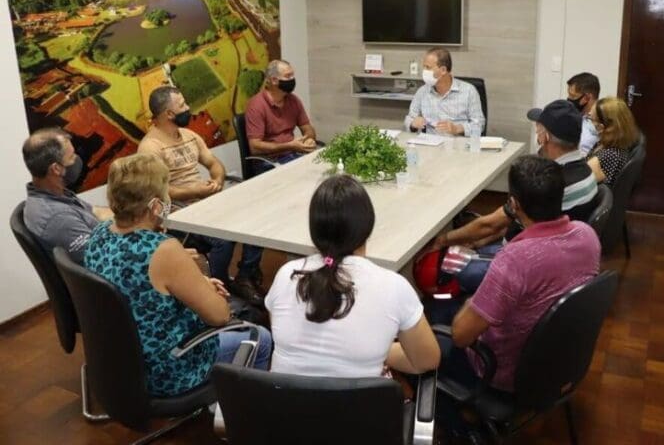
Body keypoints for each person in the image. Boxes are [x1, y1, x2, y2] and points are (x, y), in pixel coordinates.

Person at [83, 153, 272, 397]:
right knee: (262, 338)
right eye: (165, 193)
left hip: (119, 360)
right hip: (167, 369)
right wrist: (199, 279)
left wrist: (197, 283)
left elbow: (141, 287)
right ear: (155, 206)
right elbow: (220, 316)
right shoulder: (163, 250)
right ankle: (233, 418)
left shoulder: (99, 233)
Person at [438, 155, 600, 396]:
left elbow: (461, 337)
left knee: (434, 320)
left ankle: (458, 423)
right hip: (559, 362)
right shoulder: (587, 236)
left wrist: (474, 301)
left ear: (514, 205)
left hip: (504, 373)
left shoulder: (515, 260)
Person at [266, 175, 440, 378]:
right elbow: (427, 361)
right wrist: (378, 353)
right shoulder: (393, 287)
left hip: (283, 407)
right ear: (368, 226)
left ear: (314, 229)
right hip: (360, 409)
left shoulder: (286, 275)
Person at [424, 100, 597, 293]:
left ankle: (443, 310)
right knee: (472, 245)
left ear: (545, 137)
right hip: (549, 257)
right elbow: (512, 220)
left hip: (522, 266)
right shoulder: (585, 172)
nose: (537, 136)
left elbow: (490, 224)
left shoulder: (548, 182)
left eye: (538, 131)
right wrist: (477, 241)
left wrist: (442, 240)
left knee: (437, 269)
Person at [138, 86, 264, 304]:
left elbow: (214, 163)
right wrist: (197, 190)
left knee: (255, 218)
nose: (188, 108)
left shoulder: (189, 135)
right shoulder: (150, 148)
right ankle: (217, 286)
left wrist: (217, 180)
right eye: (182, 105)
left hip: (205, 200)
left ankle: (245, 275)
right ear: (169, 114)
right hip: (178, 211)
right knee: (223, 237)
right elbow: (160, 192)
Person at [21, 128, 112, 264]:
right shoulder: (58, 219)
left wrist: (128, 218)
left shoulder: (54, 193)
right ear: (56, 169)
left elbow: (93, 211)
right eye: (72, 157)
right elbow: (102, 260)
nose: (77, 160)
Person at [245, 59, 317, 175]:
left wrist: (308, 139)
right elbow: (255, 147)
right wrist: (289, 146)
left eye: (293, 75)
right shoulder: (256, 105)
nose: (292, 79)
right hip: (269, 162)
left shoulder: (293, 100)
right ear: (274, 80)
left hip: (293, 155)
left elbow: (308, 129)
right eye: (288, 76)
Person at [404, 47, 485, 136]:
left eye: (428, 67)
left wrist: (457, 128)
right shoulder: (422, 91)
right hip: (429, 145)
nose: (424, 71)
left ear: (443, 70)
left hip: (457, 145)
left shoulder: (469, 91)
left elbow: (479, 124)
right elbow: (409, 119)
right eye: (424, 67)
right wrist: (413, 124)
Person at [587, 96, 641, 186]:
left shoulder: (610, 155)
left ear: (601, 127)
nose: (589, 123)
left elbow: (580, 180)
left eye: (591, 119)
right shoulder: (609, 145)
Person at [566, 72, 601, 155]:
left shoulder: (601, 120)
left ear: (587, 97)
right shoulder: (576, 115)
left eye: (573, 96)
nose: (569, 99)